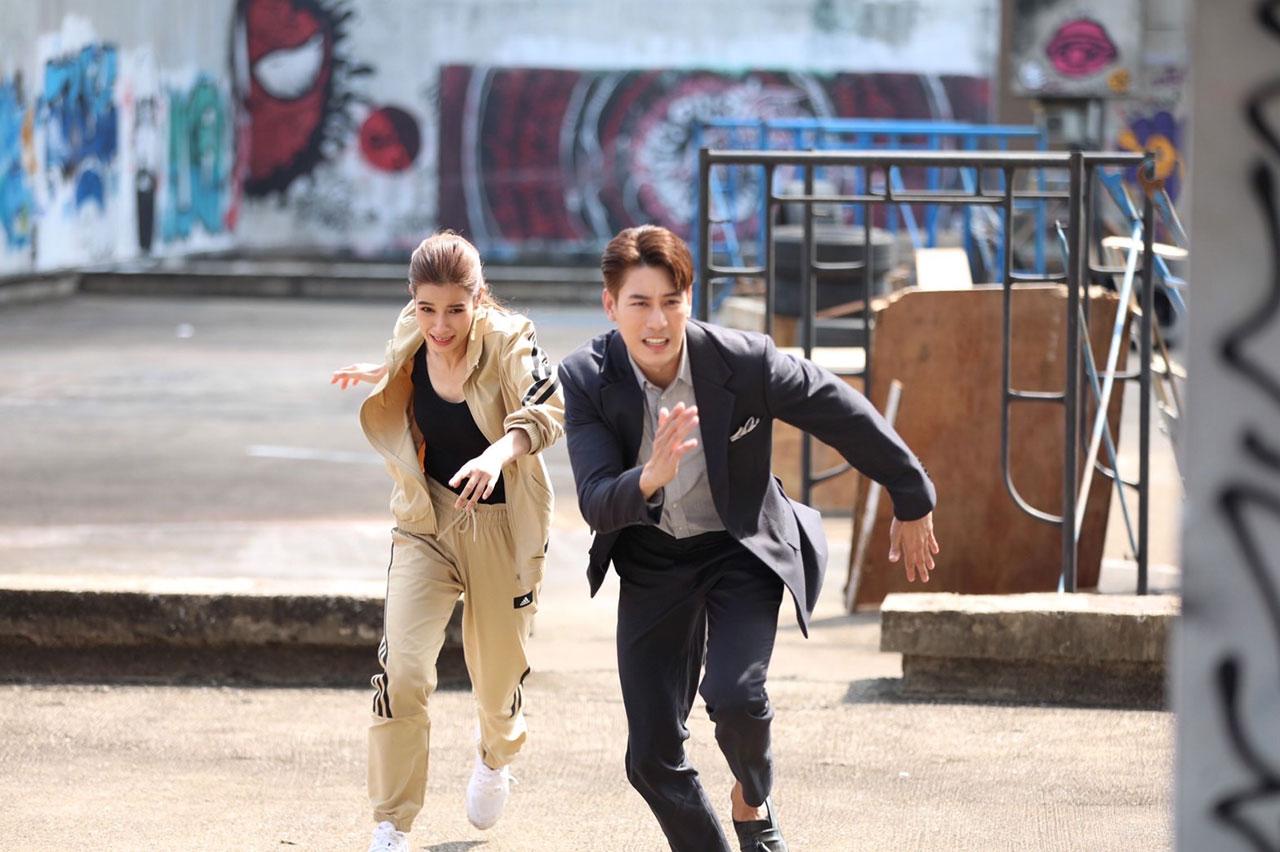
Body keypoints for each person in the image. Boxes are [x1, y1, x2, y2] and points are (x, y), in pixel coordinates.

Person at [558, 225, 938, 852]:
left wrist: (912, 493)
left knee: (735, 697)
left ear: (690, 299)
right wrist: (648, 477)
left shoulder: (742, 360)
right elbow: (597, 499)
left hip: (738, 549)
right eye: (639, 303)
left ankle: (751, 797)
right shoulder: (586, 377)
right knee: (650, 758)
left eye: (671, 301)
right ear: (610, 304)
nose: (657, 321)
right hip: (652, 559)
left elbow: (836, 408)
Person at [331, 232, 564, 852]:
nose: (440, 325)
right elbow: (409, 353)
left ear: (478, 299)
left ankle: (495, 756)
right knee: (402, 670)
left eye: (456, 310)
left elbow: (547, 407)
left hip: (501, 527)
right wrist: (385, 372)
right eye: (427, 308)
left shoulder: (512, 339)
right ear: (413, 299)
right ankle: (391, 823)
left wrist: (498, 452)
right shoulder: (412, 330)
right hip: (426, 520)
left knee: (497, 683)